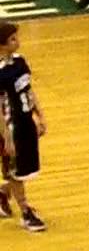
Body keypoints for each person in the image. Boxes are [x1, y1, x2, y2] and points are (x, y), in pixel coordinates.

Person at [0, 22, 47, 231]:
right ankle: (25, 211)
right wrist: (6, 137)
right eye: (12, 39)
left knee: (26, 167)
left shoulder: (20, 62)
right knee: (15, 169)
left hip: (26, 119)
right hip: (10, 125)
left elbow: (28, 90)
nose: (17, 41)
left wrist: (40, 115)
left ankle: (2, 194)